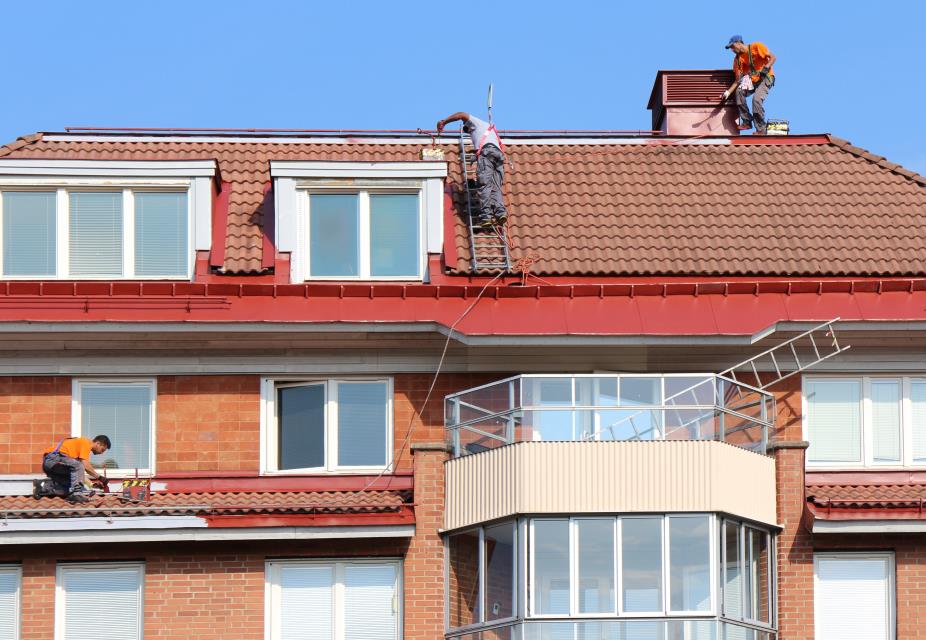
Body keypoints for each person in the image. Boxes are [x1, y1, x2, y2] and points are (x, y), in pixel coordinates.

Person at [436, 112, 508, 227]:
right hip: (498, 155)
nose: (469, 133)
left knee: (485, 185)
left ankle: (486, 216)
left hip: (487, 153)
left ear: (469, 126)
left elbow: (461, 114)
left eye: (468, 130)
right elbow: (487, 145)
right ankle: (500, 213)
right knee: (496, 187)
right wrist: (475, 154)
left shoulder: (476, 123)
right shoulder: (489, 130)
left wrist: (444, 122)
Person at [721, 35, 776, 134]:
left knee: (756, 99)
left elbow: (773, 57)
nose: (732, 50)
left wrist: (766, 67)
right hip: (753, 81)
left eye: (733, 47)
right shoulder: (737, 60)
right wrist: (727, 93)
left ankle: (761, 130)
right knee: (739, 92)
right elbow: (738, 80)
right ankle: (747, 121)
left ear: (739, 43)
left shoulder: (757, 46)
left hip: (766, 78)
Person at [34, 435, 111, 503]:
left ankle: (42, 487)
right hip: (53, 459)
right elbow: (85, 466)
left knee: (69, 488)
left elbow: (78, 474)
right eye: (102, 450)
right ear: (98, 443)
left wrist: (91, 484)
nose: (102, 453)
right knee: (78, 468)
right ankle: (76, 494)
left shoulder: (76, 453)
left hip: (52, 465)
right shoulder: (85, 443)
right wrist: (100, 477)